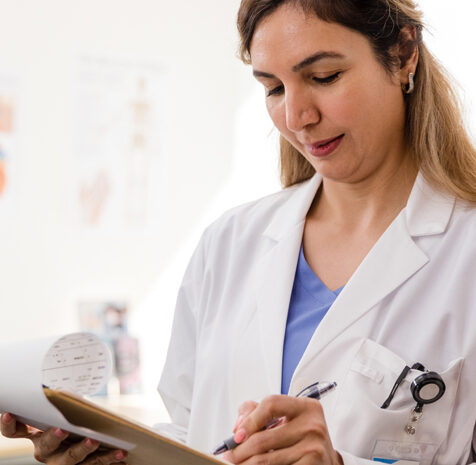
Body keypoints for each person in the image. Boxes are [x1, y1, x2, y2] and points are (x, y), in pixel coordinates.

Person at [2, 0, 476, 464]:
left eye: (324, 77)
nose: (296, 117)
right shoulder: (228, 243)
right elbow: (193, 434)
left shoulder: (465, 249)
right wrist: (108, 453)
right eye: (273, 88)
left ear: (403, 54)